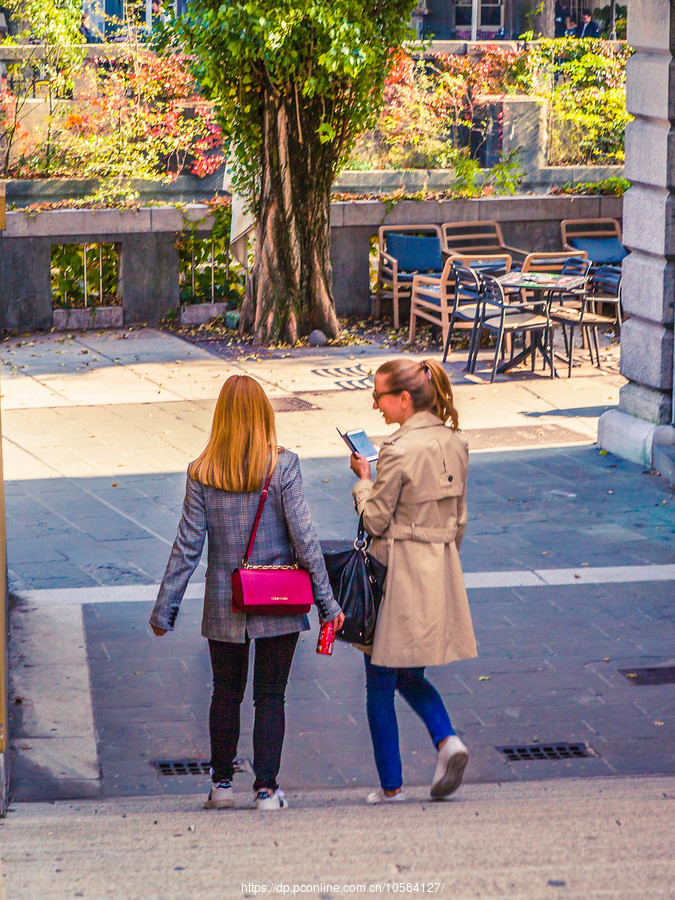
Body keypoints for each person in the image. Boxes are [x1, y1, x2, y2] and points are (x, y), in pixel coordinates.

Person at [150, 375, 344, 811]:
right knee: (270, 695)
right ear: (264, 415)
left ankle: (220, 786)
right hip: (279, 596)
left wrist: (166, 611)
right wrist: (328, 604)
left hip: (225, 600)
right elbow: (306, 540)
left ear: (221, 417)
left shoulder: (202, 472)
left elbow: (187, 545)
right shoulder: (283, 467)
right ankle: (266, 790)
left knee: (225, 691)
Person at [348, 359, 477, 804]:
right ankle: (446, 739)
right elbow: (459, 520)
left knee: (380, 680)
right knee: (409, 673)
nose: (376, 406)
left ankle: (392, 786)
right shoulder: (455, 444)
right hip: (439, 568)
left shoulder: (397, 451)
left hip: (396, 572)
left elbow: (376, 519)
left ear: (403, 399)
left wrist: (364, 481)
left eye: (379, 396)